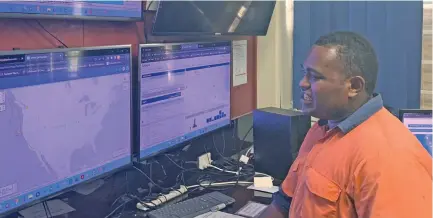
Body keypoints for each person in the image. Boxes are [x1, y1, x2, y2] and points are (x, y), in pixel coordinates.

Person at [259, 31, 432, 218]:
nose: (302, 83)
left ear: (354, 86)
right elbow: (285, 203)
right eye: (304, 73)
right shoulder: (322, 128)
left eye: (315, 77)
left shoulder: (390, 158)